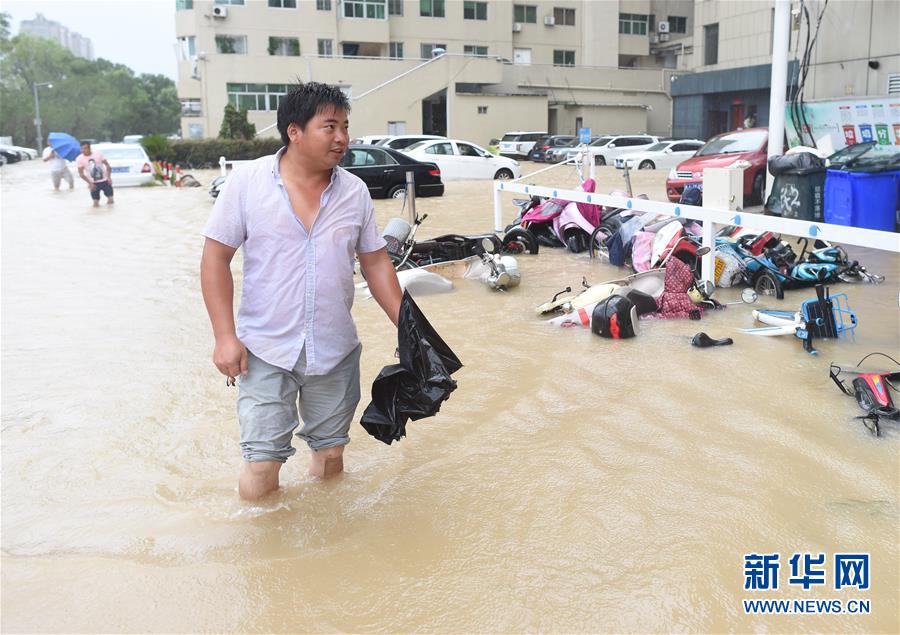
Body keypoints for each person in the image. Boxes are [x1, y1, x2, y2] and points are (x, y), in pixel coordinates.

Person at [200, 82, 402, 501]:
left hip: (334, 348)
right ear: (295, 131)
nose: (342, 138)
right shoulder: (248, 183)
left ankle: (323, 538)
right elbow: (215, 258)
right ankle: (260, 551)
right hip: (264, 348)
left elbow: (376, 262)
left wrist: (411, 330)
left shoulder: (355, 192)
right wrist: (224, 337)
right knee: (261, 463)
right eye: (330, 127)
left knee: (330, 457)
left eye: (345, 126)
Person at [75, 141, 114, 207]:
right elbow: (81, 174)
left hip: (105, 180)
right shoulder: (79, 159)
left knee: (111, 200)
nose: (83, 150)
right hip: (93, 183)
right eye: (82, 149)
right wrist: (90, 183)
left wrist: (109, 177)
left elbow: (108, 166)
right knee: (95, 203)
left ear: (89, 148)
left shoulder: (98, 154)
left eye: (85, 148)